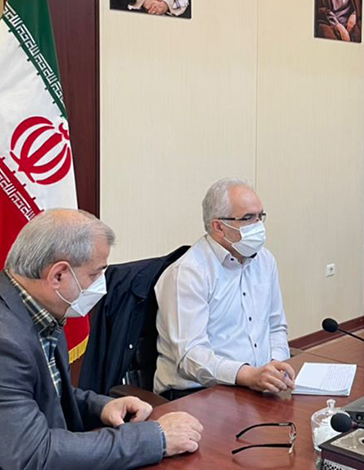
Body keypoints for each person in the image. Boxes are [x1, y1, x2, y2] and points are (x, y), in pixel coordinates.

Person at [0, 209, 202, 470]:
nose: (102, 286)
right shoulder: (6, 342)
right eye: (95, 274)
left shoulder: (37, 308)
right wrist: (156, 439)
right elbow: (33, 455)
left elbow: (44, 393)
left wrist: (101, 407)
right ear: (58, 275)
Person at [154, 178, 295, 398]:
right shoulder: (188, 273)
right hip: (198, 392)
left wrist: (275, 367)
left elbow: (276, 327)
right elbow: (191, 356)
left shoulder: (265, 260)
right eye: (248, 218)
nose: (258, 226)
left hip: (256, 386)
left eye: (260, 216)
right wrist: (247, 375)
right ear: (219, 227)